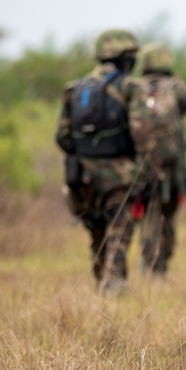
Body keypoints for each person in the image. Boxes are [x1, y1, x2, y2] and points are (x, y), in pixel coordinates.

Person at [56, 28, 147, 296]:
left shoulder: (75, 89)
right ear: (126, 57)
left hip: (82, 177)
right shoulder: (130, 87)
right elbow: (143, 133)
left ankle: (101, 285)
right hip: (119, 175)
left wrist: (87, 155)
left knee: (96, 231)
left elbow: (62, 137)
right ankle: (114, 283)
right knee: (119, 228)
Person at [132, 43, 186, 275]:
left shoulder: (134, 88)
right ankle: (160, 264)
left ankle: (150, 263)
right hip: (173, 167)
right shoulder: (177, 88)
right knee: (168, 215)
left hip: (140, 166)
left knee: (148, 214)